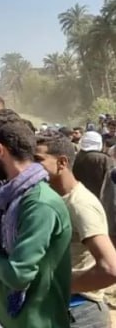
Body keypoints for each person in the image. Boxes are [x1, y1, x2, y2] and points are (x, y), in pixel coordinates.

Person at [0, 117, 72, 328]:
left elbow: (18, 275)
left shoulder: (39, 204)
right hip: (5, 316)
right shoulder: (9, 197)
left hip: (35, 321)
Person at [34, 133, 116, 328]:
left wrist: (59, 284)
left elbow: (110, 268)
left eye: (38, 160)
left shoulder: (80, 204)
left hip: (80, 312)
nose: (31, 167)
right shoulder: (51, 198)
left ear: (62, 162)